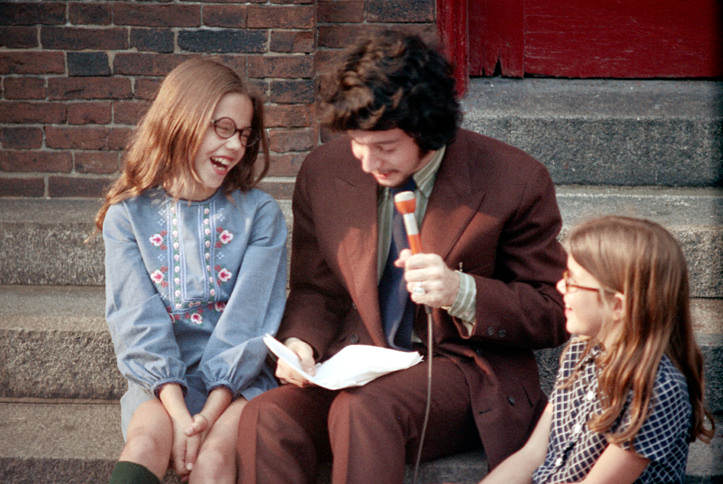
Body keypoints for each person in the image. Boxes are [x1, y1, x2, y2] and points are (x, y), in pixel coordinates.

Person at [236, 31, 568, 483]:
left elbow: (554, 310)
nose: (369, 162)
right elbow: (317, 288)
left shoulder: (515, 180)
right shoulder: (325, 171)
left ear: (427, 127)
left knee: (362, 410)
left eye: (386, 147)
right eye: (357, 142)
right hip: (353, 362)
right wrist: (301, 343)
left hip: (461, 368)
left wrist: (463, 292)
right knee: (266, 417)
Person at [96, 58, 287, 484]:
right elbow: (137, 322)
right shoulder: (127, 216)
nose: (236, 145)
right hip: (160, 381)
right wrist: (181, 416)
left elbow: (248, 324)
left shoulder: (261, 216)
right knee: (145, 442)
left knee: (215, 459)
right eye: (222, 128)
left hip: (240, 383)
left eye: (243, 133)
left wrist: (206, 418)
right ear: (182, 120)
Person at [480, 215, 715, 484]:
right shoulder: (580, 352)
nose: (560, 287)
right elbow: (532, 454)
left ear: (617, 305)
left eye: (573, 282)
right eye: (564, 276)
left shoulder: (655, 390)